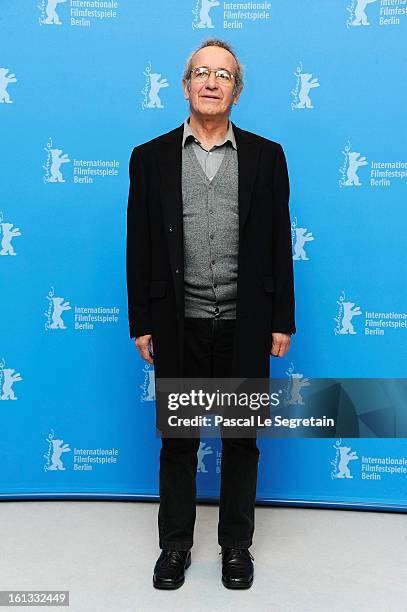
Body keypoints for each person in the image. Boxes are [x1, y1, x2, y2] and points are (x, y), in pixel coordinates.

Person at [126, 37, 296, 590]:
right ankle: (174, 547)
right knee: (178, 441)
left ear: (236, 90)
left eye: (223, 74)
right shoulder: (149, 158)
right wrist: (142, 322)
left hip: (246, 324)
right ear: (185, 86)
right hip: (179, 323)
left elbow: (278, 243)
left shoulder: (267, 157)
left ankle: (235, 547)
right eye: (201, 71)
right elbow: (139, 245)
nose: (211, 81)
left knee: (241, 440)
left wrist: (280, 319)